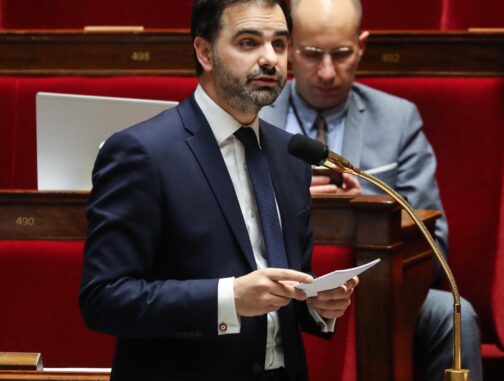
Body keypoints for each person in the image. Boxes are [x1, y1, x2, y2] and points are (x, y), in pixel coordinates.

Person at [79, 1, 356, 380]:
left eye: (279, 44)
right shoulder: (142, 153)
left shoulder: (292, 154)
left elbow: (287, 282)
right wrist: (228, 299)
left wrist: (317, 304)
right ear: (204, 52)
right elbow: (104, 300)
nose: (269, 59)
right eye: (248, 43)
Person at [259, 0, 483, 380]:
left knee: (452, 315)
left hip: (377, 292)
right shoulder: (255, 117)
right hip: (279, 290)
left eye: (342, 54)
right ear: (289, 47)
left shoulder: (398, 119)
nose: (327, 72)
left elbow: (434, 245)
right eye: (313, 54)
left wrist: (362, 203)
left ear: (361, 46)